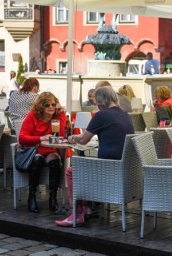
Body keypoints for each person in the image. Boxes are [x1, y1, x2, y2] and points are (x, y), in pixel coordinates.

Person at [56, 87, 135, 226]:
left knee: (72, 172)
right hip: (124, 170)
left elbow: (84, 140)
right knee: (86, 168)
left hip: (108, 170)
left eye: (97, 104)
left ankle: (77, 214)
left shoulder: (102, 115)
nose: (97, 107)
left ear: (102, 102)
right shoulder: (125, 114)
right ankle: (86, 208)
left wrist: (71, 137)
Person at [18, 92, 66, 213]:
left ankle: (53, 198)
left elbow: (60, 136)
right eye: (47, 105)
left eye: (53, 104)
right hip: (33, 151)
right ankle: (32, 196)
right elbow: (22, 138)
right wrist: (40, 138)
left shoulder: (56, 117)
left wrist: (61, 114)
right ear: (41, 106)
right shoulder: (32, 116)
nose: (51, 107)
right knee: (38, 159)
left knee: (56, 159)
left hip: (49, 151)